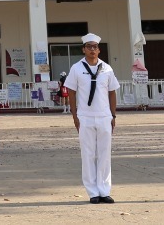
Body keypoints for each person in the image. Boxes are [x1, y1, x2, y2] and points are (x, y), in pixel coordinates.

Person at [63, 32, 120, 203]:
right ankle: (92, 192)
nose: (92, 50)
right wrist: (74, 115)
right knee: (88, 154)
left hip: (104, 116)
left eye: (95, 47)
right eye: (89, 47)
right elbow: (71, 92)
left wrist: (113, 115)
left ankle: (104, 190)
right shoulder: (76, 68)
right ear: (83, 49)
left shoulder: (107, 68)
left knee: (104, 154)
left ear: (99, 50)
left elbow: (112, 92)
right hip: (85, 116)